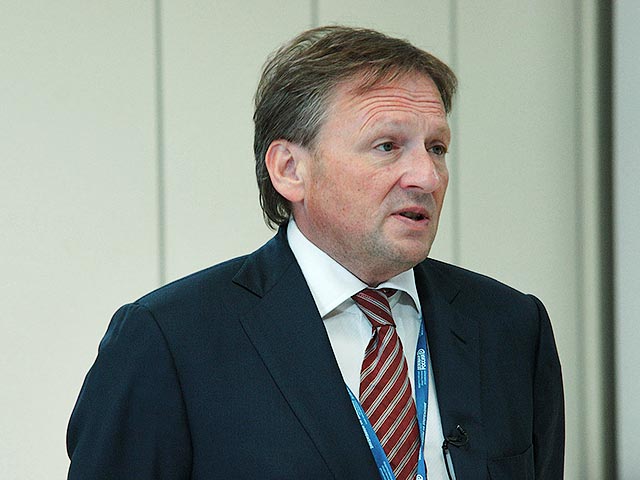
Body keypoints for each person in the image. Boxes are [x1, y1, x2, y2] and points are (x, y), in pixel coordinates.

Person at [67, 26, 564, 479]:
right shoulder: (171, 341)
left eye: (436, 148)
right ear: (290, 170)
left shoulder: (511, 327)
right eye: (387, 146)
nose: (427, 177)